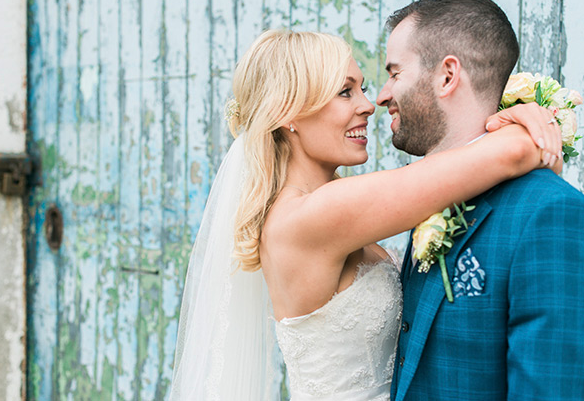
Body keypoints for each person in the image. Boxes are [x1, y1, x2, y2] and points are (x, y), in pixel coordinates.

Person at [169, 28, 561, 401]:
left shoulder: (322, 206)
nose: (368, 105)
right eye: (345, 92)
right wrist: (528, 118)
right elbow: (512, 153)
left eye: (363, 88)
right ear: (288, 114)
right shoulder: (313, 215)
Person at [375, 0, 584, 401]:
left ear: (447, 75)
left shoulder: (549, 212)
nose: (382, 94)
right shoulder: (422, 195)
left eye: (395, 73)